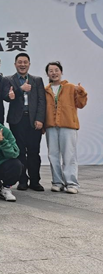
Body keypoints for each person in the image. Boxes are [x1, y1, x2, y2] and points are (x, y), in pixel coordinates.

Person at [2, 53, 46, 191]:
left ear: (29, 64)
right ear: (15, 64)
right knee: (19, 151)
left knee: (34, 151)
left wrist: (40, 119)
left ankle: (35, 181)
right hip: (17, 120)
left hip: (33, 120)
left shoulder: (37, 80)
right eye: (19, 62)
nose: (22, 64)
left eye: (25, 62)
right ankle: (22, 180)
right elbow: (6, 97)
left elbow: (42, 101)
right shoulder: (8, 79)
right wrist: (20, 90)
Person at [44, 61, 88, 194]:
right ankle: (57, 182)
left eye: (56, 70)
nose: (54, 73)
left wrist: (82, 93)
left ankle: (72, 183)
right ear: (47, 74)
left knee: (69, 155)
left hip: (68, 126)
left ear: (61, 72)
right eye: (51, 71)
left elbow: (81, 104)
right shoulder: (45, 90)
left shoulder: (71, 87)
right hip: (51, 126)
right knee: (53, 155)